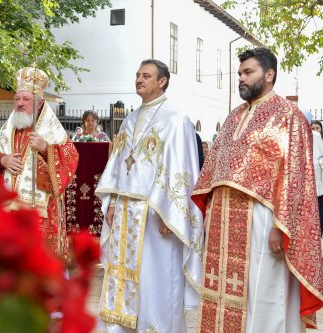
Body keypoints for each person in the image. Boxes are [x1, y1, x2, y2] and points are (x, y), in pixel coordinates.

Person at [192, 48, 323, 332]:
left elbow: (297, 176)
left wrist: (282, 225)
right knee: (223, 293)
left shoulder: (288, 116)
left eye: (248, 72)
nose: (241, 78)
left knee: (262, 292)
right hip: (223, 223)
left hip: (262, 222)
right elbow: (214, 170)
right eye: (240, 73)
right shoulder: (233, 117)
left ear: (269, 74)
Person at [94, 59, 203, 332]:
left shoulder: (177, 119)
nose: (139, 80)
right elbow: (119, 163)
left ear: (162, 81)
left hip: (157, 215)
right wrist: (113, 201)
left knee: (157, 279)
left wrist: (173, 214)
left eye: (146, 75)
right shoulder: (130, 119)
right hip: (126, 214)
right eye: (137, 75)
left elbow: (182, 168)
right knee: (126, 278)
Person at [0, 66, 79, 256]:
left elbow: (71, 158)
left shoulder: (52, 130)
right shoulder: (7, 130)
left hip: (40, 213)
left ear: (40, 102)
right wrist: (2, 160)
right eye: (17, 99)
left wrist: (45, 149)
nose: (20, 103)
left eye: (26, 99)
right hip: (8, 211)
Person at [311, 120, 323, 235]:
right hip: (312, 178)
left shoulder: (316, 137)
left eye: (317, 128)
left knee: (318, 204)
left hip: (317, 179)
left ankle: (319, 229)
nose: (315, 130)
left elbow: (322, 158)